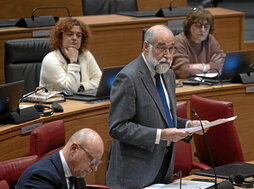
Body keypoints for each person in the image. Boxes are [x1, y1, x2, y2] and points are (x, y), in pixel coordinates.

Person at [106, 25, 208, 189]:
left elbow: (164, 116)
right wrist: (160, 135)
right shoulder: (128, 78)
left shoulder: (168, 74)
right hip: (134, 174)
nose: (167, 56)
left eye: (171, 49)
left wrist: (189, 125)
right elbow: (117, 127)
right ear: (146, 47)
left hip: (164, 168)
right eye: (162, 49)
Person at [15, 128, 104, 189]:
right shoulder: (40, 177)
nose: (95, 168)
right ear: (74, 149)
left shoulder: (76, 170)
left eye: (97, 162)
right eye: (92, 160)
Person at [40, 17, 102, 92]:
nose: (75, 38)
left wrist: (81, 86)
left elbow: (100, 80)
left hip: (82, 100)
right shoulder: (50, 60)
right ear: (60, 37)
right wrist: (73, 61)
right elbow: (71, 89)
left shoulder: (85, 54)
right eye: (70, 34)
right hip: (58, 102)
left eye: (79, 35)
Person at [172, 8, 225, 79]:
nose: (202, 30)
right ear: (189, 26)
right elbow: (183, 71)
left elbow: (223, 65)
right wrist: (209, 66)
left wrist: (194, 67)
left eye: (206, 26)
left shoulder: (210, 39)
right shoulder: (179, 41)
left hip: (207, 83)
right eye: (198, 25)